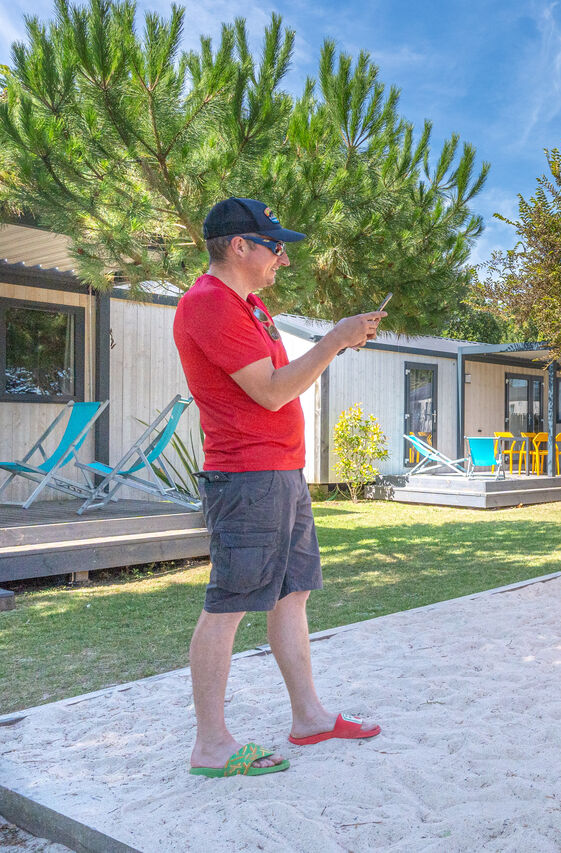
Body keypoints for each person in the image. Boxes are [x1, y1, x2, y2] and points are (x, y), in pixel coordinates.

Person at [175, 197, 385, 777]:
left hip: (280, 471)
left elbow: (279, 381)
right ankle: (211, 745)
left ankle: (309, 717)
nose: (283, 259)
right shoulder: (208, 303)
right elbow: (270, 391)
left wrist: (338, 341)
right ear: (239, 245)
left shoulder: (250, 307)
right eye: (274, 246)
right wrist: (334, 339)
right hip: (247, 476)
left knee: (293, 595)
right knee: (228, 605)